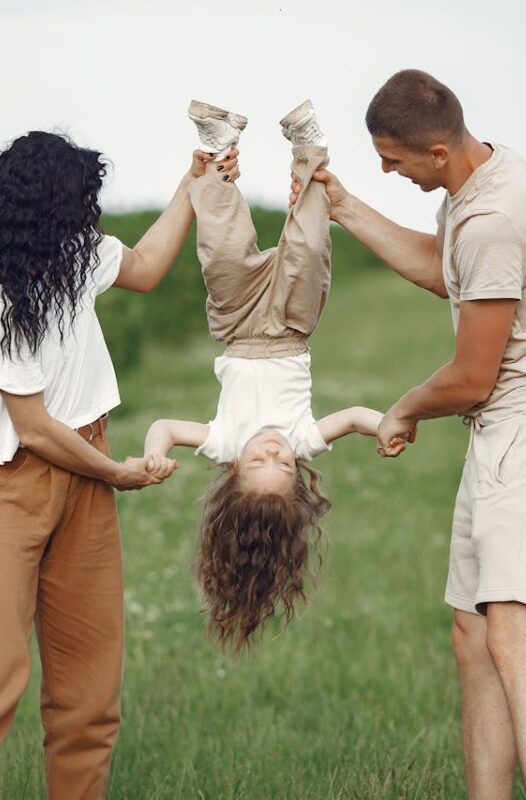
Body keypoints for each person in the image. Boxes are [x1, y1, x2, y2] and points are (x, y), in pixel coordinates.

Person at [291, 70, 526, 799]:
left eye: (393, 161)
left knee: (515, 638)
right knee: (473, 637)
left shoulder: (497, 217)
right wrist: (342, 205)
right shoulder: (476, 180)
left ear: (435, 152)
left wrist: (401, 408)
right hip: (500, 433)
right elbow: (444, 271)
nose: (385, 171)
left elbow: (470, 377)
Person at [0, 130, 239, 799]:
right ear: (39, 207)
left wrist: (192, 182)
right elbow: (34, 427)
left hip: (85, 471)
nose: (85, 215)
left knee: (89, 693)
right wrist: (117, 473)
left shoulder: (74, 256)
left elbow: (151, 266)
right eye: (74, 202)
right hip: (13, 488)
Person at [142, 100, 383, 651]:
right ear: (297, 473)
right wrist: (386, 423)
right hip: (293, 327)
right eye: (282, 464)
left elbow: (168, 426)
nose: (273, 449)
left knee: (221, 251)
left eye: (259, 461)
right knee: (305, 248)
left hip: (236, 323)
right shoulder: (301, 440)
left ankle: (220, 149)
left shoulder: (224, 441)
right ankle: (307, 149)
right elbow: (348, 419)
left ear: (232, 472)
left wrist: (158, 450)